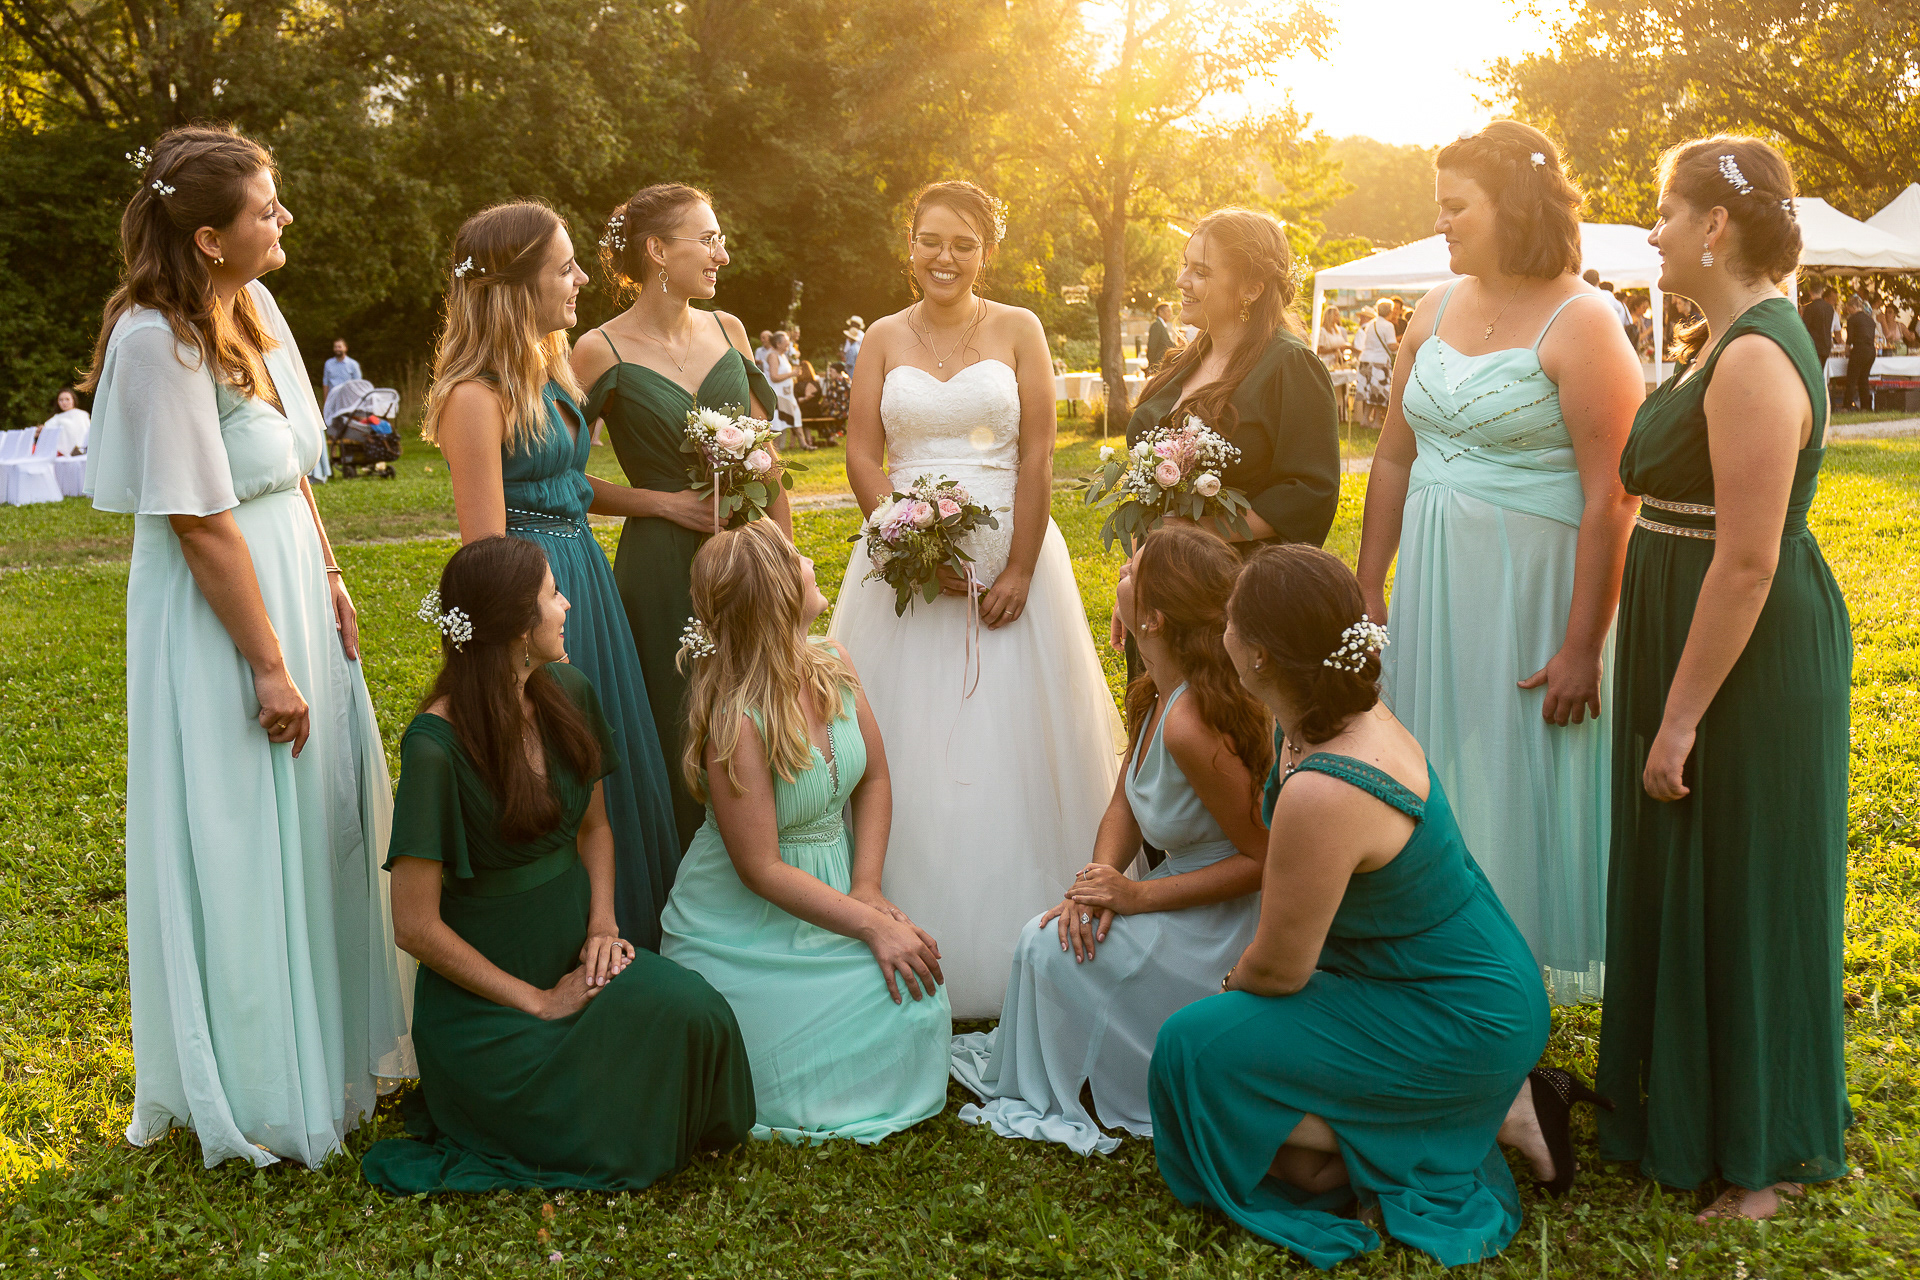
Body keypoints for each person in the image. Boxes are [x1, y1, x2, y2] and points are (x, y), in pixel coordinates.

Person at [81, 124, 413, 1167]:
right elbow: (198, 517)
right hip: (218, 609)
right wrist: (266, 659)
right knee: (242, 825)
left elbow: (294, 473)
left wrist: (330, 579)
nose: (286, 221)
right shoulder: (153, 337)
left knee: (320, 818)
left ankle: (339, 1057)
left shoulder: (255, 305)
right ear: (211, 236)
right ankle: (268, 1085)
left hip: (293, 587)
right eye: (269, 209)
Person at [1148, 544, 1573, 1269]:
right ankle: (1471, 1111)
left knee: (1192, 1050)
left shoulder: (1325, 783)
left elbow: (1280, 970)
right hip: (1416, 970)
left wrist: (1229, 991)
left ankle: (1490, 1111)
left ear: (1256, 658)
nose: (1221, 626)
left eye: (1231, 618)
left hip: (1461, 1010)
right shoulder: (1315, 715)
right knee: (1282, 1133)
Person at [1601, 135, 1852, 1223]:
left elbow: (1747, 560)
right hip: (1687, 625)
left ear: (1714, 225)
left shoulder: (1754, 355)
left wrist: (1679, 719)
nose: (1651, 231)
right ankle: (1692, 1111)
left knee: (1750, 879)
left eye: (1665, 210)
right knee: (1698, 871)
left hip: (1739, 654)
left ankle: (1768, 1157)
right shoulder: (1720, 338)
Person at [362, 537, 755, 1193]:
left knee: (698, 1014)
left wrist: (603, 927)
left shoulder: (567, 690)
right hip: (489, 1013)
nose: (567, 604)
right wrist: (540, 1003)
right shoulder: (435, 745)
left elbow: (596, 829)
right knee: (618, 1137)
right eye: (552, 593)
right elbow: (414, 926)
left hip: (577, 955)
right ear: (520, 627)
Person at [1355, 121, 1642, 1005]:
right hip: (1436, 583)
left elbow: (1613, 495)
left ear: (1512, 205)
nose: (1441, 224)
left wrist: (1583, 645)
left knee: (1525, 772)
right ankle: (1446, 958)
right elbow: (1395, 457)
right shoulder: (1433, 309)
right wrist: (1369, 586)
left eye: (1455, 207)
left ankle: (1516, 982)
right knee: (1440, 759)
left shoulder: (1586, 319)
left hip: (1535, 590)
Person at [829, 180, 1124, 1018]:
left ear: (985, 251)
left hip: (1008, 549)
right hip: (906, 563)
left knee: (1015, 740)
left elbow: (1036, 457)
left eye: (962, 243)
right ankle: (897, 916)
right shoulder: (883, 337)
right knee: (907, 736)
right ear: (910, 247)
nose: (944, 257)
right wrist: (899, 539)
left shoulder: (1020, 328)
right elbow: (860, 454)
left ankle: (1024, 942)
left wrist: (1021, 567)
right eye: (930, 241)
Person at [950, 525, 1267, 1154]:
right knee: (1049, 938)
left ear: (1152, 617)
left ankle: (1119, 1068)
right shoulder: (1157, 692)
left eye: (1131, 572)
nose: (1119, 574)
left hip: (1224, 923)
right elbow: (1124, 799)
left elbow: (1263, 859)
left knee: (1045, 950)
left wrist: (1135, 898)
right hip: (1175, 896)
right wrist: (1096, 884)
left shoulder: (1192, 723)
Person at [424, 200, 685, 951]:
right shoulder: (475, 398)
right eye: (563, 267)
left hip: (586, 587)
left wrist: (662, 502)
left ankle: (639, 933)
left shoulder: (551, 366)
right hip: (533, 598)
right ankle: (580, 944)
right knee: (567, 764)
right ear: (514, 286)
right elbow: (486, 551)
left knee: (616, 761)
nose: (580, 279)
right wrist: (525, 651)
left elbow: (569, 485)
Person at [661, 521, 952, 1141]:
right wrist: (872, 926)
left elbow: (873, 780)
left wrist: (868, 889)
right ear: (777, 595)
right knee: (877, 1002)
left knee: (918, 998)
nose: (810, 561)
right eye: (797, 559)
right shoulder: (735, 720)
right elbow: (760, 869)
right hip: (744, 923)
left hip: (835, 894)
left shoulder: (833, 663)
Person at [571, 183, 785, 851]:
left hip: (747, 551)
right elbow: (557, 473)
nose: (723, 253)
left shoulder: (730, 331)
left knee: (761, 711)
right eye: (709, 238)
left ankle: (767, 861)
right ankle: (683, 879)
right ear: (658, 250)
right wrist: (661, 502)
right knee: (679, 720)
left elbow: (767, 456)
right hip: (660, 565)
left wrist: (781, 554)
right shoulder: (597, 350)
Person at [1354, 298, 1398, 425]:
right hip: (1380, 362)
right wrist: (1401, 345)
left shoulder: (1370, 324)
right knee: (1379, 393)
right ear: (1390, 311)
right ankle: (1376, 421)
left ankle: (1365, 419)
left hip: (1365, 360)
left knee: (1368, 392)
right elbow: (1391, 346)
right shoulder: (1388, 326)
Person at [765, 330, 806, 445]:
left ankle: (803, 444)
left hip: (787, 393)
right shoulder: (773, 355)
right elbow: (774, 376)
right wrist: (792, 374)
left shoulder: (783, 355)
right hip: (778, 393)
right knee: (778, 421)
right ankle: (777, 447)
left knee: (796, 415)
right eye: (786, 342)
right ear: (778, 344)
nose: (788, 344)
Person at [1843, 295, 1878, 411]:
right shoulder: (1870, 320)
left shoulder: (1852, 319)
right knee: (1864, 379)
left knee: (1852, 379)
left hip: (1859, 350)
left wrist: (1847, 351)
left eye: (1849, 309)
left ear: (1853, 307)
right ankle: (1865, 406)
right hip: (1871, 351)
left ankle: (1846, 406)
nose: (1848, 312)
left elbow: (1850, 339)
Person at [42, 387, 91, 455]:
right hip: (63, 456)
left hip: (83, 452)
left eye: (67, 399)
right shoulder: (55, 419)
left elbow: (87, 433)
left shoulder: (83, 415)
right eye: (61, 400)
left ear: (73, 400)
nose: (64, 402)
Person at [1799, 287, 1835, 362]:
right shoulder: (1829, 308)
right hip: (1826, 344)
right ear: (1822, 292)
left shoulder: (1810, 307)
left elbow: (1804, 327)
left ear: (1810, 293)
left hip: (1814, 345)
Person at [1146, 301, 1179, 371]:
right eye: (1168, 311)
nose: (1170, 314)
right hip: (1158, 366)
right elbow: (1152, 346)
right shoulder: (1157, 325)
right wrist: (1152, 366)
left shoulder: (1163, 326)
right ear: (1160, 312)